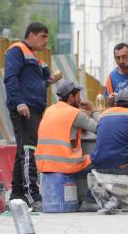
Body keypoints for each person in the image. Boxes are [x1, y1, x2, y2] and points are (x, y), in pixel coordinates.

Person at [4, 22, 61, 209]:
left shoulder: (34, 58)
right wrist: (19, 102)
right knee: (29, 151)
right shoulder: (17, 50)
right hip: (24, 109)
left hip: (33, 108)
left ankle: (16, 194)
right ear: (31, 35)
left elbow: (38, 83)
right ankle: (31, 195)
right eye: (43, 36)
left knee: (23, 151)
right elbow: (10, 78)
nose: (46, 41)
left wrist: (50, 80)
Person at [35, 80, 100, 212]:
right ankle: (89, 200)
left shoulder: (49, 110)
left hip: (43, 164)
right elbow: (101, 128)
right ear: (71, 97)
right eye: (78, 96)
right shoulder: (75, 114)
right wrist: (93, 109)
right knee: (99, 159)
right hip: (63, 163)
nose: (80, 99)